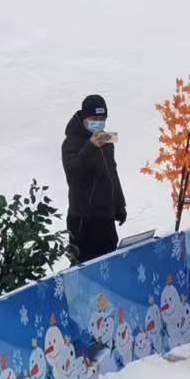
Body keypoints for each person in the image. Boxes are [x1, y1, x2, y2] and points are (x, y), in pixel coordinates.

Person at [62, 95, 126, 263]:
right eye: (94, 118)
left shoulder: (107, 140)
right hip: (83, 219)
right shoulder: (71, 142)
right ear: (84, 117)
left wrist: (119, 204)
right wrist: (89, 147)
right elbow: (73, 172)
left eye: (102, 119)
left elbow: (112, 173)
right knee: (85, 269)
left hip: (106, 217)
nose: (98, 123)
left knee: (109, 265)